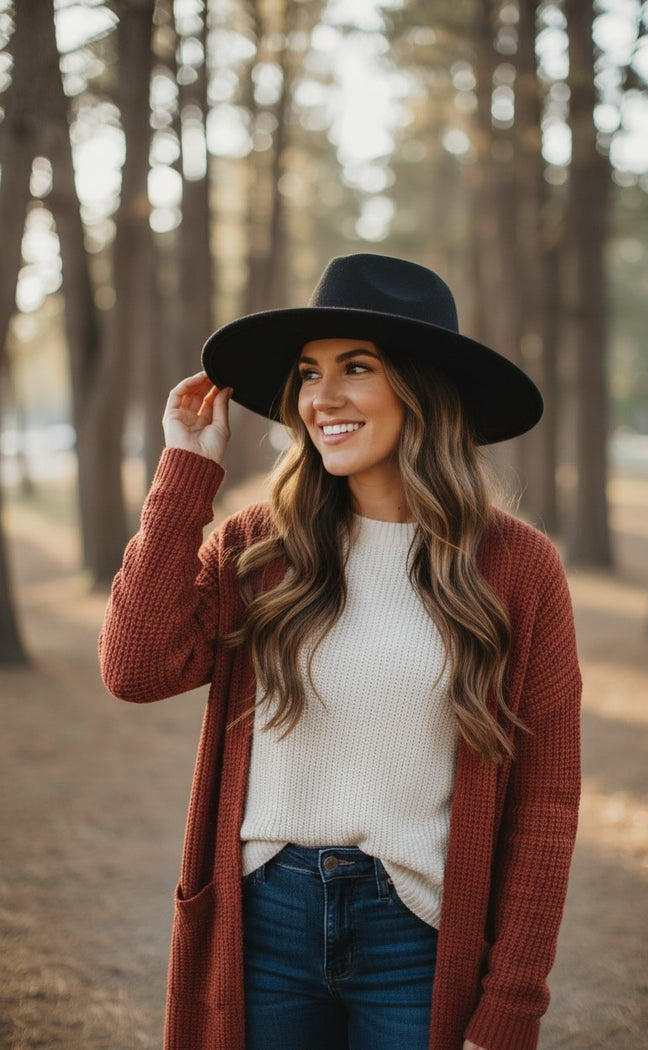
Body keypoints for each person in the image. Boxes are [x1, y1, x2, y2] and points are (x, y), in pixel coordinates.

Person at [99, 253, 581, 1050]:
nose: (321, 398)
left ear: (423, 390)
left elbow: (546, 804)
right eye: (308, 373)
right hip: (263, 923)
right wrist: (186, 471)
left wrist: (511, 1006)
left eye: (356, 368)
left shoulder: (517, 568)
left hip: (419, 938)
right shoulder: (259, 545)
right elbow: (135, 669)